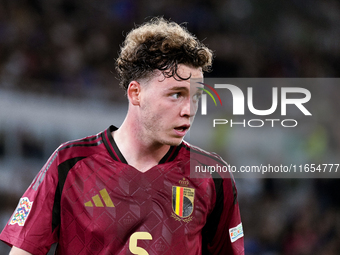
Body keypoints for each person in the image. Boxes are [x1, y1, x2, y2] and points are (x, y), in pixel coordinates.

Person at [0, 17, 244, 255]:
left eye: (196, 97)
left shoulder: (211, 176)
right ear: (136, 93)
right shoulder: (70, 164)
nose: (188, 110)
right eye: (176, 94)